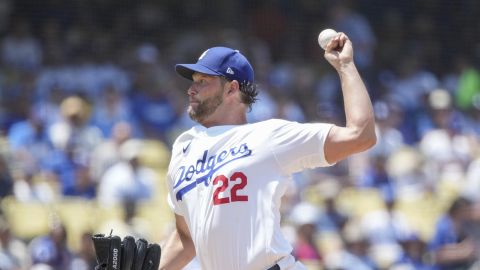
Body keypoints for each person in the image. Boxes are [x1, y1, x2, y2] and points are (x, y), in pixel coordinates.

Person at [160, 33, 376, 270]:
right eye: (193, 80)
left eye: (203, 81)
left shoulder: (268, 137)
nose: (191, 89)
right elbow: (186, 237)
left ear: (232, 89)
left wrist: (345, 66)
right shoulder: (183, 148)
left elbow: (360, 136)